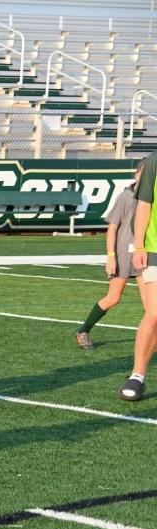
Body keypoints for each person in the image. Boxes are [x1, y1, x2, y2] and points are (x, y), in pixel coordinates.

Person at [76, 163, 145, 350]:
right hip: (123, 255)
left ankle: (150, 342)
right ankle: (83, 330)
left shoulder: (150, 198)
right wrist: (111, 257)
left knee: (150, 305)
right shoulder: (125, 196)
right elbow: (112, 228)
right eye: (143, 173)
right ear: (137, 174)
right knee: (113, 297)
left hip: (143, 255)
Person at [120, 153, 157, 400]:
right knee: (154, 313)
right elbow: (144, 205)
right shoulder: (154, 162)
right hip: (155, 247)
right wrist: (140, 246)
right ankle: (137, 376)